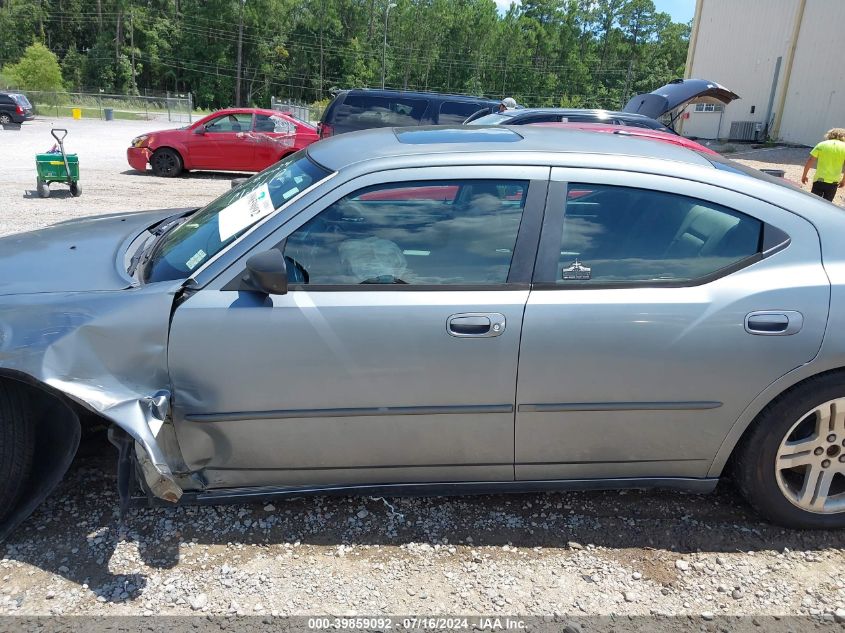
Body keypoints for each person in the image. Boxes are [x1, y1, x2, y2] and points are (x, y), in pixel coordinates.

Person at [801, 128, 845, 202]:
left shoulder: (821, 144)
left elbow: (810, 160)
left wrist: (804, 175)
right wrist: (843, 180)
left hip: (819, 180)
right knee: (826, 204)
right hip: (833, 182)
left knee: (814, 202)